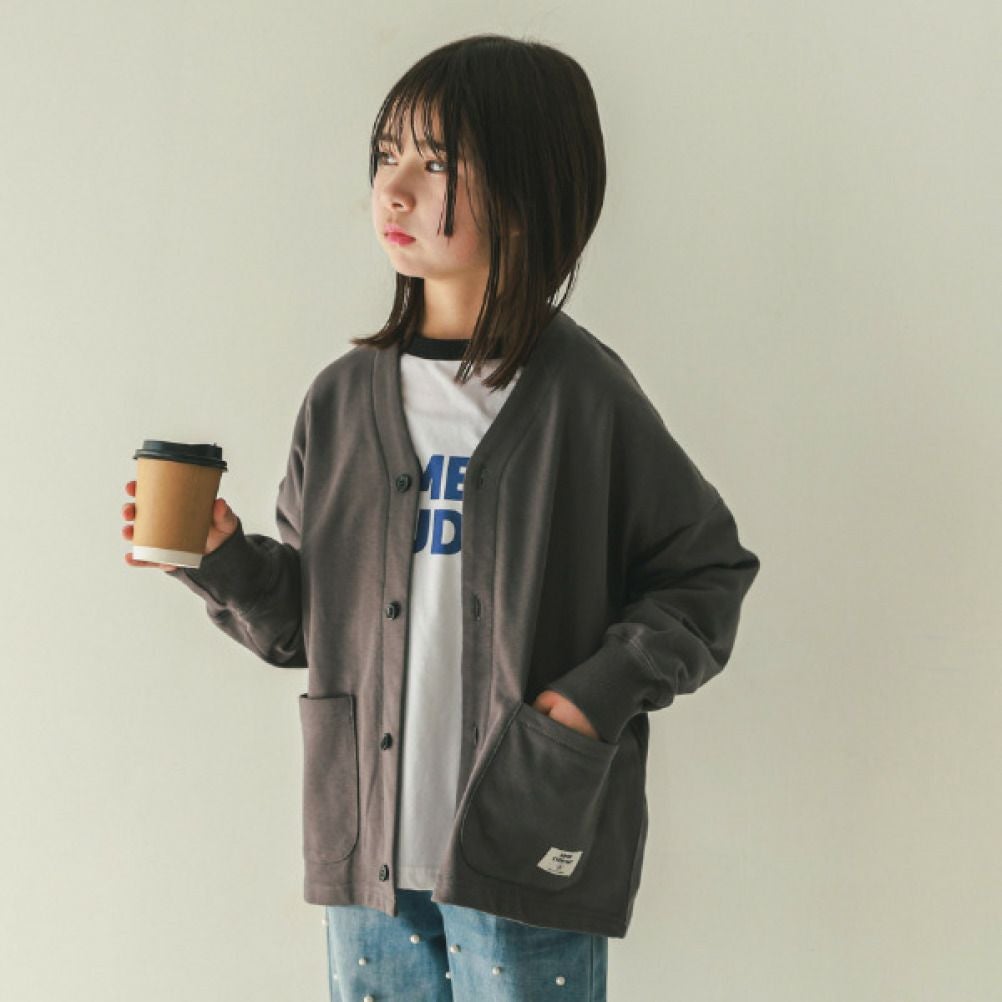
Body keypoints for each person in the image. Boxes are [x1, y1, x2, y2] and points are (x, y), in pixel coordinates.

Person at [123, 32, 761, 1002]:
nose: (393, 190)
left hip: (527, 834)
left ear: (528, 194)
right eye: (387, 156)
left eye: (436, 165)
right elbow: (306, 629)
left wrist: (590, 699)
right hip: (368, 847)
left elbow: (706, 573)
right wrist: (220, 559)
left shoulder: (583, 398)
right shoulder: (342, 402)